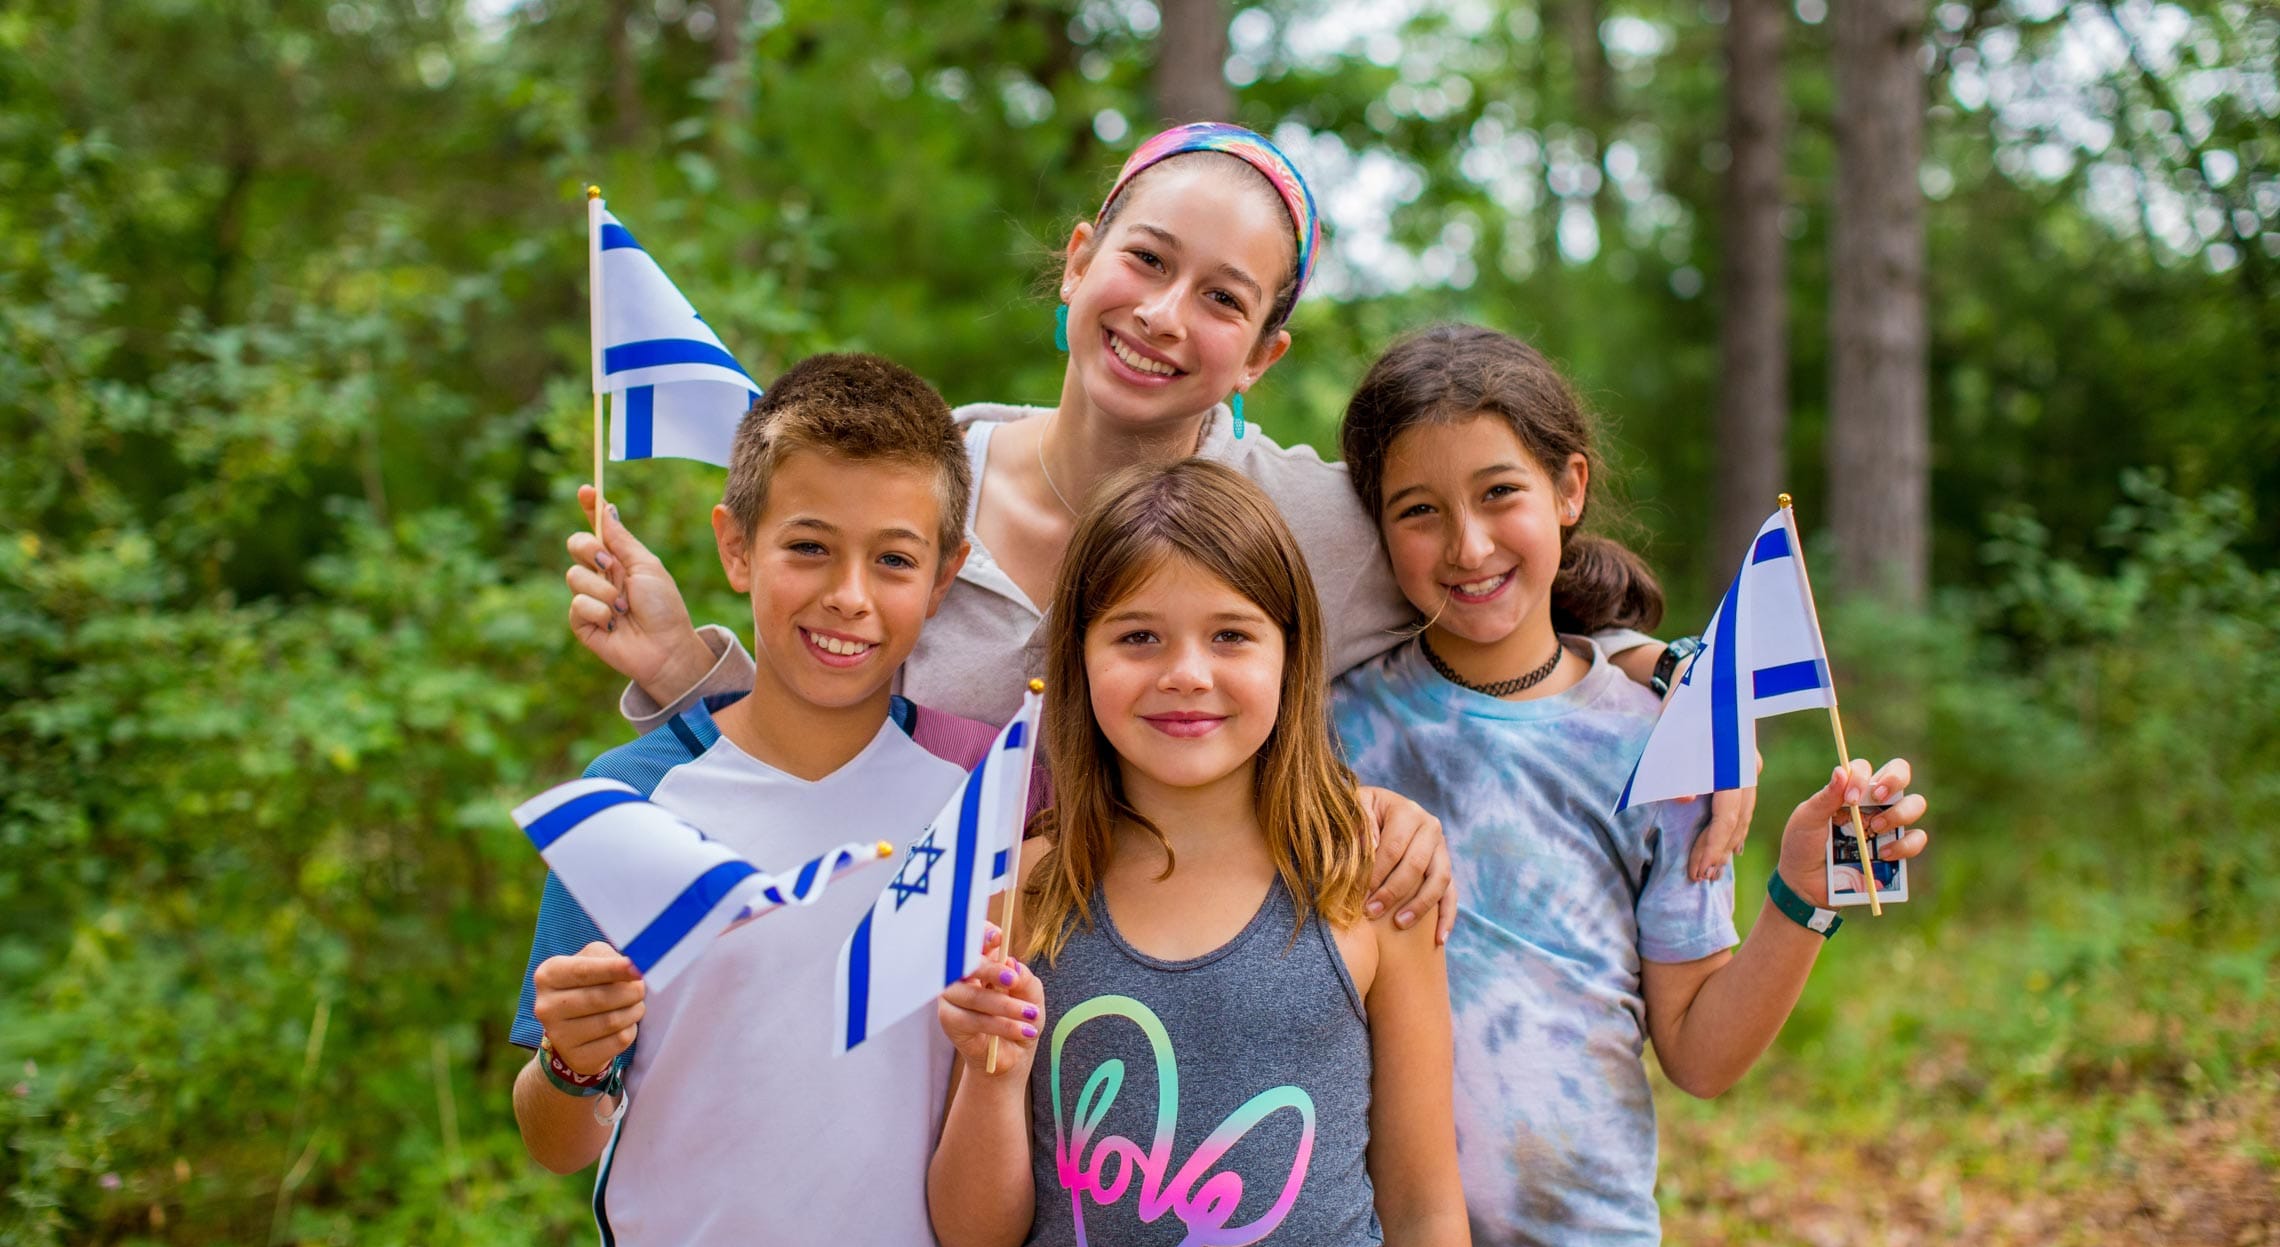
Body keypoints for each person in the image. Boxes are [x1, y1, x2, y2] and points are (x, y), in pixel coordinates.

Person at [561, 122, 1761, 932]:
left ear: (1264, 352)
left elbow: (1492, 587)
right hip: (916, 1048)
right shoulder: (924, 486)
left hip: (1155, 1069)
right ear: (1082, 262)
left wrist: (1694, 692)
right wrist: (685, 669)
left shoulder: (1300, 527)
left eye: (1225, 299)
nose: (1166, 315)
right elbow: (807, 745)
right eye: (1146, 260)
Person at [1327, 325, 1933, 1247]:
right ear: (1375, 525)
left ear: (1569, 488)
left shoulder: (1666, 741)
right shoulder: (1334, 729)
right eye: (1419, 510)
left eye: (1500, 493)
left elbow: (1700, 1051)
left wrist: (1803, 892)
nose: (1468, 543)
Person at [508, 354, 1002, 1247]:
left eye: (894, 559)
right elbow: (555, 1140)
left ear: (945, 577)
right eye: (808, 546)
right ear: (737, 548)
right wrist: (573, 1061)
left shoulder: (988, 788)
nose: (849, 594)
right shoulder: (629, 801)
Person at [928, 459, 1473, 1247]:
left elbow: (1423, 1205)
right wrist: (989, 1073)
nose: (1186, 672)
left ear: (1291, 654)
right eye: (1138, 635)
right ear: (1080, 656)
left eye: (1231, 634)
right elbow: (976, 1241)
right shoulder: (1026, 887)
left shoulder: (1367, 883)